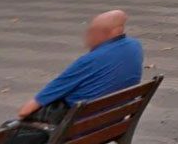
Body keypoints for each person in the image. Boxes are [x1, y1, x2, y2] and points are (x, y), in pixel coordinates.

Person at [11, 11, 142, 134]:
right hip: (114, 122)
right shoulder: (134, 46)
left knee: (12, 129)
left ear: (107, 33)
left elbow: (25, 111)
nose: (87, 36)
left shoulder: (89, 61)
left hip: (79, 131)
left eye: (92, 31)